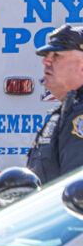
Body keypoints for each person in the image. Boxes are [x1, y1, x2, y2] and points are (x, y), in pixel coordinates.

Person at [27, 25, 83, 183]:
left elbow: (76, 193)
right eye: (47, 55)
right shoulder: (66, 111)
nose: (46, 61)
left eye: (57, 55)